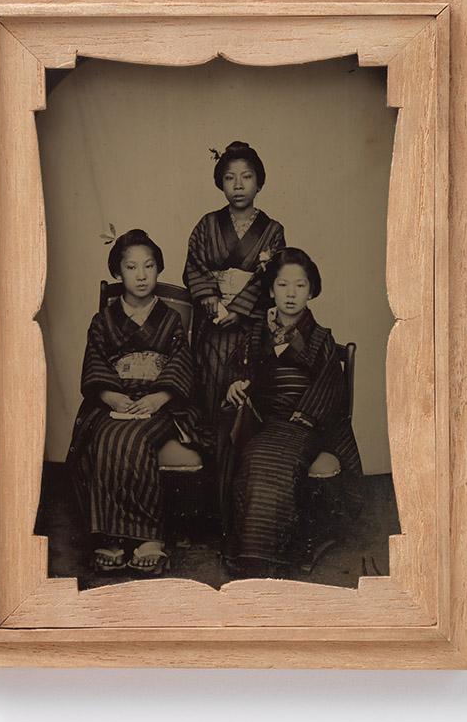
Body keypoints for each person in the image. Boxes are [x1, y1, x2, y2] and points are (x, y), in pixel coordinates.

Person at [66, 229, 208, 575]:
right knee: (103, 436)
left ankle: (147, 538)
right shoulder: (103, 321)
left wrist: (159, 397)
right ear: (118, 272)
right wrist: (111, 394)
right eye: (131, 267)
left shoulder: (171, 319)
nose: (141, 275)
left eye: (149, 266)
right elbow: (95, 363)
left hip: (159, 403)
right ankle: (115, 538)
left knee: (131, 438)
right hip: (112, 400)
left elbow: (181, 362)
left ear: (158, 270)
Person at [224, 248, 364, 576]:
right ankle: (254, 549)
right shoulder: (256, 332)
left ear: (311, 290)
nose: (291, 294)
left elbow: (331, 388)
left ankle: (264, 556)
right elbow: (240, 370)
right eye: (283, 285)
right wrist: (236, 384)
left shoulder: (320, 338)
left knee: (266, 458)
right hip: (266, 421)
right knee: (245, 452)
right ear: (271, 288)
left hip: (306, 423)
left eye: (300, 286)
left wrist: (302, 417)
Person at [183, 141, 285, 521]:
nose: (238, 185)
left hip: (250, 331)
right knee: (210, 404)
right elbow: (194, 268)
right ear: (220, 183)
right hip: (212, 331)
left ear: (259, 182)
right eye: (229, 178)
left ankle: (242, 509)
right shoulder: (206, 225)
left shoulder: (272, 231)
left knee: (243, 408)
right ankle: (210, 507)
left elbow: (270, 279)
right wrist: (213, 304)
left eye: (246, 177)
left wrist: (237, 310)